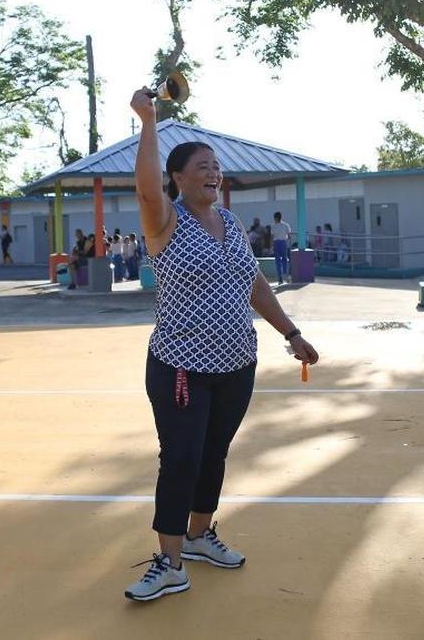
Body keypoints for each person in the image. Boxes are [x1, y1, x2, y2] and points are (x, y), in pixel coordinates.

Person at [123, 87, 319, 603]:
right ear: (178, 178)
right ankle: (168, 563)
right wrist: (148, 122)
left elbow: (253, 283)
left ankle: (198, 536)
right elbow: (145, 191)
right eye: (203, 166)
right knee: (181, 457)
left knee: (214, 454)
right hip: (181, 365)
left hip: (237, 365)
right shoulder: (166, 221)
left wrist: (291, 334)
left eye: (217, 166)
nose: (214, 172)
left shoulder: (230, 223)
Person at [270, 212, 292, 285]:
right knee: (284, 259)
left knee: (278, 261)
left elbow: (272, 237)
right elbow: (289, 236)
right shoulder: (286, 225)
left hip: (277, 243)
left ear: (276, 218)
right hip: (283, 242)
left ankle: (281, 277)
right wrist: (288, 243)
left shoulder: (273, 226)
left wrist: (271, 246)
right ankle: (285, 275)